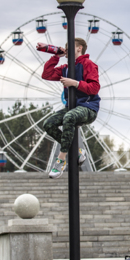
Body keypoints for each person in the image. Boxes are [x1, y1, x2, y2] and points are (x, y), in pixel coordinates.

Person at [40, 38, 101, 179]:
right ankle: (77, 152)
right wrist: (56, 56)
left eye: (69, 47)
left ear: (79, 48)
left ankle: (60, 160)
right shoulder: (66, 68)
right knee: (48, 124)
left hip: (88, 108)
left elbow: (94, 88)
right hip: (71, 108)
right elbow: (47, 74)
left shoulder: (88, 64)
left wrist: (75, 83)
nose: (66, 50)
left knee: (69, 117)